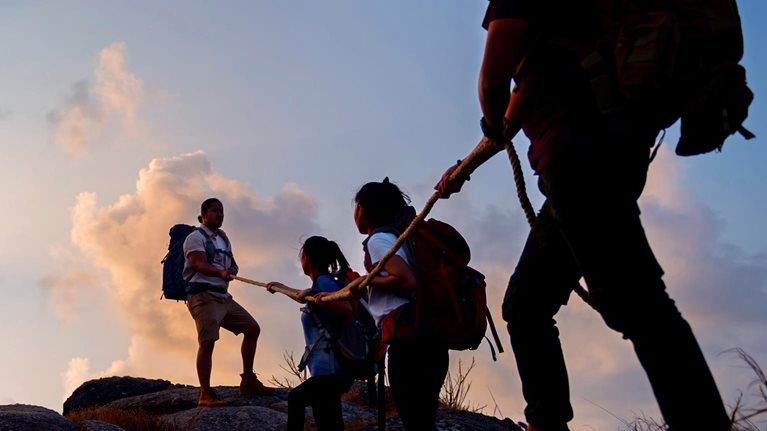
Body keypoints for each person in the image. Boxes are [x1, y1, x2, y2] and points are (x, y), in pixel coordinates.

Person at [436, 3, 731, 431]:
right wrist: (465, 167)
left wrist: (489, 111)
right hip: (613, 151)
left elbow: (496, 78)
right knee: (526, 304)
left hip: (575, 157)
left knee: (638, 304)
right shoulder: (574, 29)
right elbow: (517, 103)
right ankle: (547, 422)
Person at [327, 178, 448, 431]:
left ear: (362, 209)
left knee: (415, 421)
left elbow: (405, 279)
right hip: (430, 335)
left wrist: (361, 283)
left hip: (409, 339)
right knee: (424, 421)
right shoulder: (401, 237)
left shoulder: (379, 239)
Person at [183, 197, 274, 407]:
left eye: (221, 211)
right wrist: (220, 272)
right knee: (208, 342)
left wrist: (232, 271)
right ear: (203, 215)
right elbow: (198, 264)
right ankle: (205, 394)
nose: (219, 214)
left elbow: (232, 264)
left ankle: (248, 380)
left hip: (223, 297)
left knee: (252, 328)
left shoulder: (223, 238)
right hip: (203, 296)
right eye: (215, 211)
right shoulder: (195, 237)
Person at [267, 236, 356, 431]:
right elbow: (303, 297)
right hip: (327, 370)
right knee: (329, 423)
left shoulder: (324, 283)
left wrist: (327, 302)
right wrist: (280, 287)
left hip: (330, 369)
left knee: (296, 398)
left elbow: (347, 310)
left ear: (306, 258)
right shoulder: (322, 284)